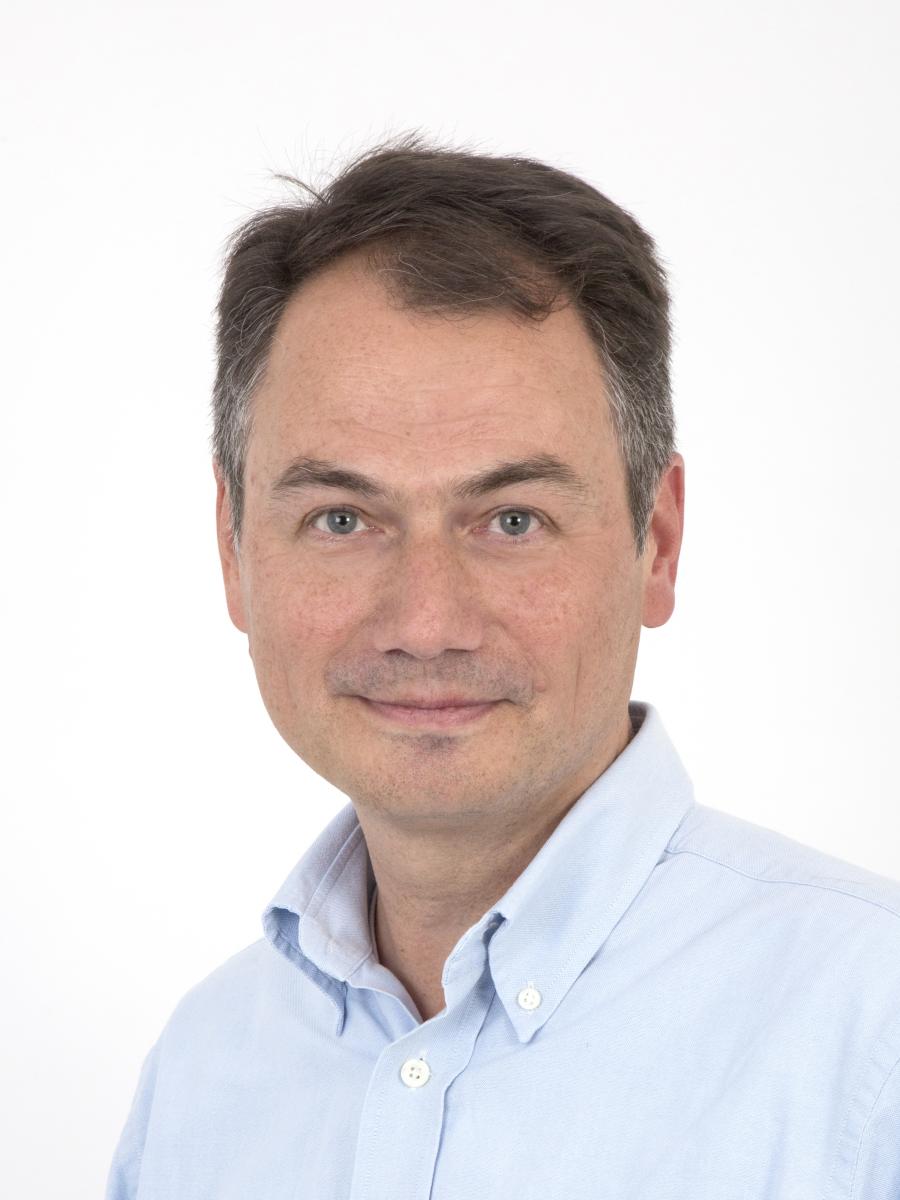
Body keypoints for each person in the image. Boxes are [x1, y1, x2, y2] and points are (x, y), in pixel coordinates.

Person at [105, 134, 900, 1199]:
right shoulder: (203, 1077)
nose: (426, 622)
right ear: (233, 548)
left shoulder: (871, 1036)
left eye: (512, 519)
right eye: (342, 518)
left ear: (658, 542)